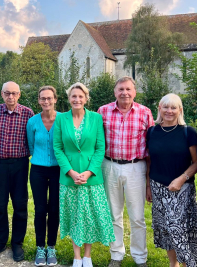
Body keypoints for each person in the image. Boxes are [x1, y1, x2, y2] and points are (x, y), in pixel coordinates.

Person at [53, 82, 115, 267]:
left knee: (88, 216)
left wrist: (88, 172)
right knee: (74, 216)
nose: (77, 99)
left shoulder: (96, 118)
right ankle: (76, 256)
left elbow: (100, 148)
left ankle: (87, 256)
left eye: (80, 96)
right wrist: (71, 173)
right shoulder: (61, 119)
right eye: (74, 96)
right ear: (69, 98)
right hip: (69, 178)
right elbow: (58, 147)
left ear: (86, 98)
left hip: (91, 178)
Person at [97, 76, 154, 267]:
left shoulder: (145, 113)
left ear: (134, 92)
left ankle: (139, 257)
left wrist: (148, 181)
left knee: (137, 216)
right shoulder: (103, 111)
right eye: (121, 89)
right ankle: (116, 255)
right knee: (114, 214)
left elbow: (151, 148)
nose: (125, 93)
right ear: (115, 92)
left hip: (136, 166)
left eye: (128, 89)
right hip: (110, 165)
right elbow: (97, 143)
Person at [145, 94, 197, 267]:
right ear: (159, 109)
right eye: (166, 107)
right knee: (164, 229)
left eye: (173, 107)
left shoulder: (188, 132)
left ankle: (187, 264)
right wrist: (149, 186)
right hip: (157, 187)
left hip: (181, 189)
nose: (169, 111)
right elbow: (150, 161)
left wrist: (181, 178)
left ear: (180, 110)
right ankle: (173, 264)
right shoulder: (152, 131)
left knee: (178, 230)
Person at [0, 81, 34, 262]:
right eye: (7, 93)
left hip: (20, 164)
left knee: (20, 205)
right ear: (2, 94)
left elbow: (32, 140)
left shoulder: (28, 113)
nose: (10, 97)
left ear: (19, 95)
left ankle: (17, 243)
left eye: (14, 93)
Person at [26, 86, 60, 266]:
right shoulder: (32, 122)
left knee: (54, 209)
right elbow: (31, 146)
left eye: (49, 98)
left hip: (58, 170)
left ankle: (51, 246)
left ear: (55, 99)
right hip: (38, 170)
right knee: (40, 209)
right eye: (42, 98)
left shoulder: (63, 119)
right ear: (38, 101)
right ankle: (40, 247)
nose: (46, 102)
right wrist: (39, 158)